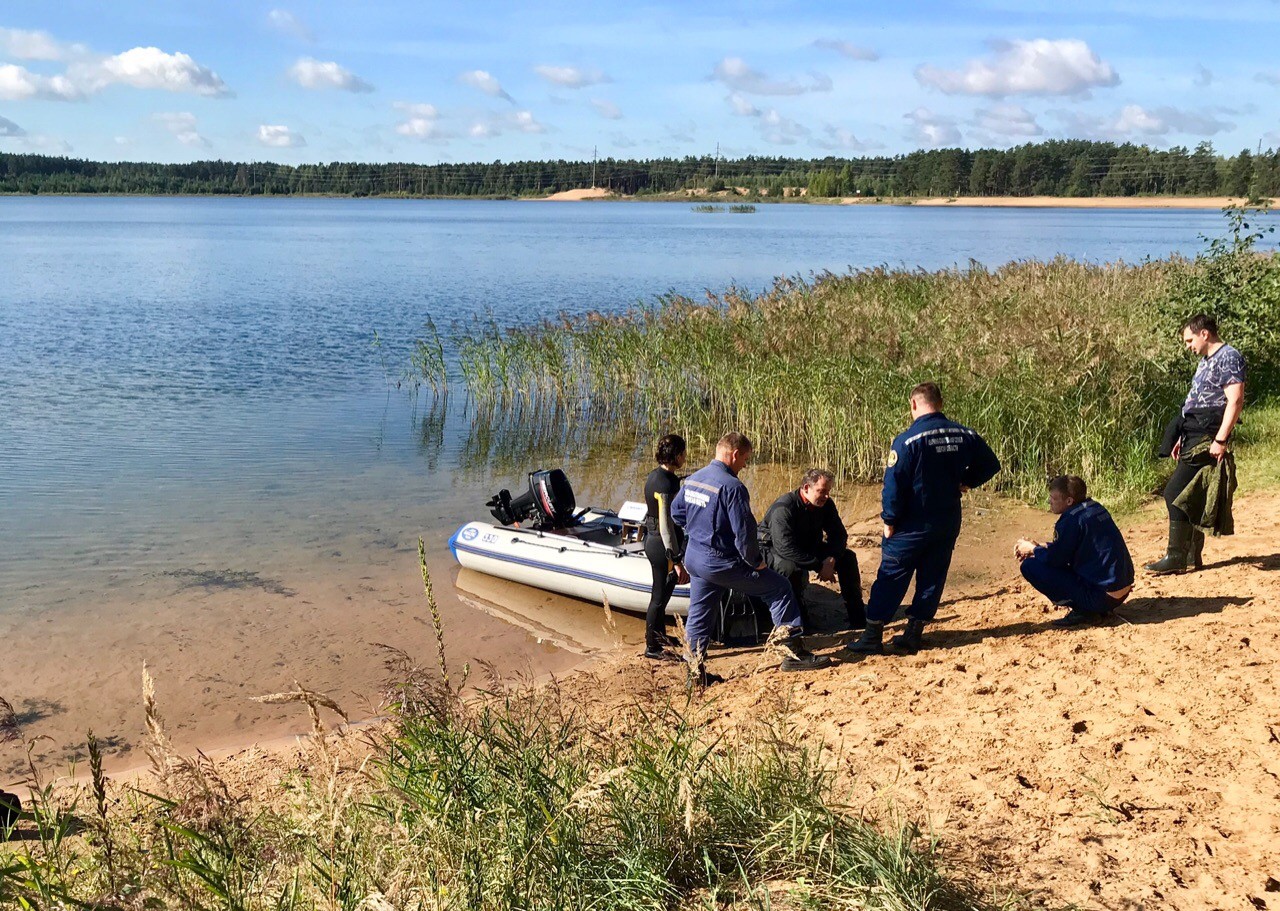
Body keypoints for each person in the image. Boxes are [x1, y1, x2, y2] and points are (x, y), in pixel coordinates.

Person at [842, 383, 1001, 657]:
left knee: (891, 576)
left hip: (910, 525)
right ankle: (914, 633)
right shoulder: (964, 433)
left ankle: (872, 635)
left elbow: (893, 485)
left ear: (913, 404)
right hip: (947, 520)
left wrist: (889, 519)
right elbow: (990, 464)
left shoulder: (907, 441)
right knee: (933, 577)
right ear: (940, 402)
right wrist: (966, 482)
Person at [671, 432, 832, 680]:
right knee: (780, 588)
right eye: (745, 459)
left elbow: (677, 513)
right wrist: (756, 562)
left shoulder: (693, 479)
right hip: (721, 561)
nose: (745, 465)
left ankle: (694, 673)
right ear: (735, 455)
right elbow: (744, 535)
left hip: (696, 558)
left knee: (699, 613)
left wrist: (698, 531)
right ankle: (793, 655)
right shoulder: (733, 487)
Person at [1146, 314, 1246, 574]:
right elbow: (1196, 400)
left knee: (1174, 493)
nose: (1188, 346)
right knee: (1191, 492)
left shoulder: (1229, 357)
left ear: (1204, 334)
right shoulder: (1207, 360)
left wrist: (1220, 439)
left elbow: (1234, 401)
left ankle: (1176, 556)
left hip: (1207, 433)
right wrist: (1181, 436)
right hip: (1193, 431)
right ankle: (1190, 556)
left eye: (1190, 340)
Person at [1015, 475, 1135, 627]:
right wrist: (1040, 546)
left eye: (1053, 498)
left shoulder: (1070, 520)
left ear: (1069, 501)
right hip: (1121, 591)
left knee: (1029, 566)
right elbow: (1073, 546)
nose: (1049, 501)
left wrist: (1033, 549)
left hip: (1102, 597)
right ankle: (1093, 608)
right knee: (1044, 559)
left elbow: (1055, 560)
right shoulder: (1095, 507)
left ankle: (1084, 611)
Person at [760, 468, 865, 630]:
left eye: (828, 491)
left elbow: (839, 535)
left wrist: (831, 559)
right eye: (821, 491)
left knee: (848, 558)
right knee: (790, 568)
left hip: (807, 545)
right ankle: (798, 621)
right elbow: (784, 547)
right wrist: (818, 566)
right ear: (806, 488)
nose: (826, 496)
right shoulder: (785, 507)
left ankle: (857, 617)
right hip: (775, 550)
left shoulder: (826, 504)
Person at [642, 433, 689, 661]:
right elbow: (666, 526)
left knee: (661, 595)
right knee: (659, 598)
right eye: (684, 453)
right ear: (678, 455)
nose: (685, 457)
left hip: (653, 540)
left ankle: (659, 636)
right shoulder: (665, 484)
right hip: (661, 546)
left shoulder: (656, 476)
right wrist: (677, 560)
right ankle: (652, 648)